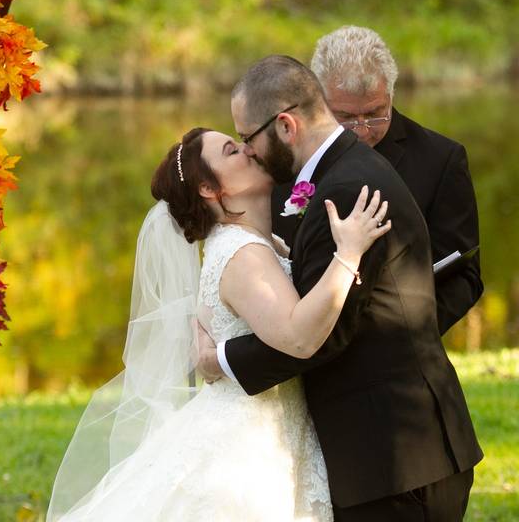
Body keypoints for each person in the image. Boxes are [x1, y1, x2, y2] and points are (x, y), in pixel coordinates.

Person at [46, 124, 392, 521]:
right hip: (247, 446)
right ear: (211, 190)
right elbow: (298, 338)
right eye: (231, 151)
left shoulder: (260, 244)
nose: (248, 150)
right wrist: (348, 254)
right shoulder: (241, 253)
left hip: (276, 427)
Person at [197, 55, 482, 522]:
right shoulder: (341, 172)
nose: (247, 151)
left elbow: (322, 335)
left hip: (395, 458)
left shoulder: (346, 191)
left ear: (285, 125)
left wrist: (221, 359)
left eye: (247, 138)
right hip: (389, 455)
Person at [275, 25, 483, 334]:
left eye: (376, 113)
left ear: (391, 92)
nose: (362, 130)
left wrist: (405, 338)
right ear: (317, 101)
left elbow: (465, 277)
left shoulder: (440, 160)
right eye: (344, 117)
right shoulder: (286, 159)